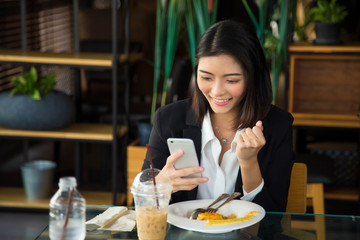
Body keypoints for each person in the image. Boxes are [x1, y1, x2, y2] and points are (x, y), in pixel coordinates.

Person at [142, 20, 294, 212]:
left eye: (231, 80)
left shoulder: (278, 126)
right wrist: (161, 185)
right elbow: (140, 209)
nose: (217, 91)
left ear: (252, 77)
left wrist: (249, 164)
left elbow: (272, 220)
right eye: (206, 77)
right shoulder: (169, 120)